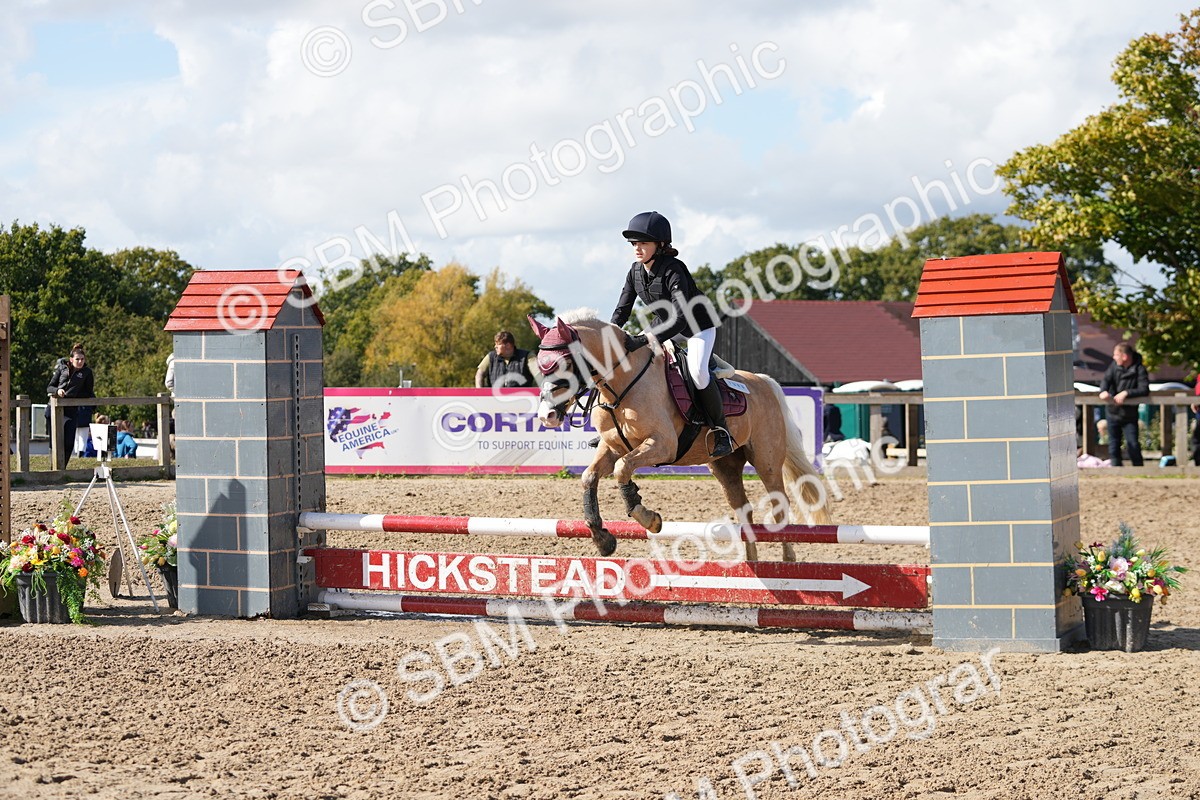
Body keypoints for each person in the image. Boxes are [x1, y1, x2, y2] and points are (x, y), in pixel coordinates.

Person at [611, 210, 733, 458]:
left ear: (660, 244)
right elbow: (622, 311)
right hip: (664, 325)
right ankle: (618, 428)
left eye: (643, 243)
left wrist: (645, 339)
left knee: (698, 373)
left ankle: (722, 431)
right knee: (636, 364)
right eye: (634, 243)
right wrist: (609, 336)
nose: (637, 248)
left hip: (697, 327)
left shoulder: (674, 270)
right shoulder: (635, 272)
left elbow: (679, 318)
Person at [1098, 341, 1150, 467]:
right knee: (1113, 444)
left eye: (1116, 355)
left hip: (1129, 414)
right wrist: (1103, 391)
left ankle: (1139, 470)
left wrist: (1126, 393)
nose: (1114, 357)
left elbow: (1144, 389)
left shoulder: (1139, 369)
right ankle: (1116, 471)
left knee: (1133, 443)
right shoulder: (1114, 366)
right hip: (1113, 411)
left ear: (1124, 356)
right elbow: (1106, 380)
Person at [46, 343, 95, 468]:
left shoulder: (87, 372)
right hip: (54, 408)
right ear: (71, 359)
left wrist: (75, 395)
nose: (80, 362)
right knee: (55, 442)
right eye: (77, 359)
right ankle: (53, 468)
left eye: (82, 359)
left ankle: (62, 468)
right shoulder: (61, 369)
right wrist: (57, 391)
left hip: (71, 410)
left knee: (69, 443)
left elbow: (88, 392)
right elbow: (49, 387)